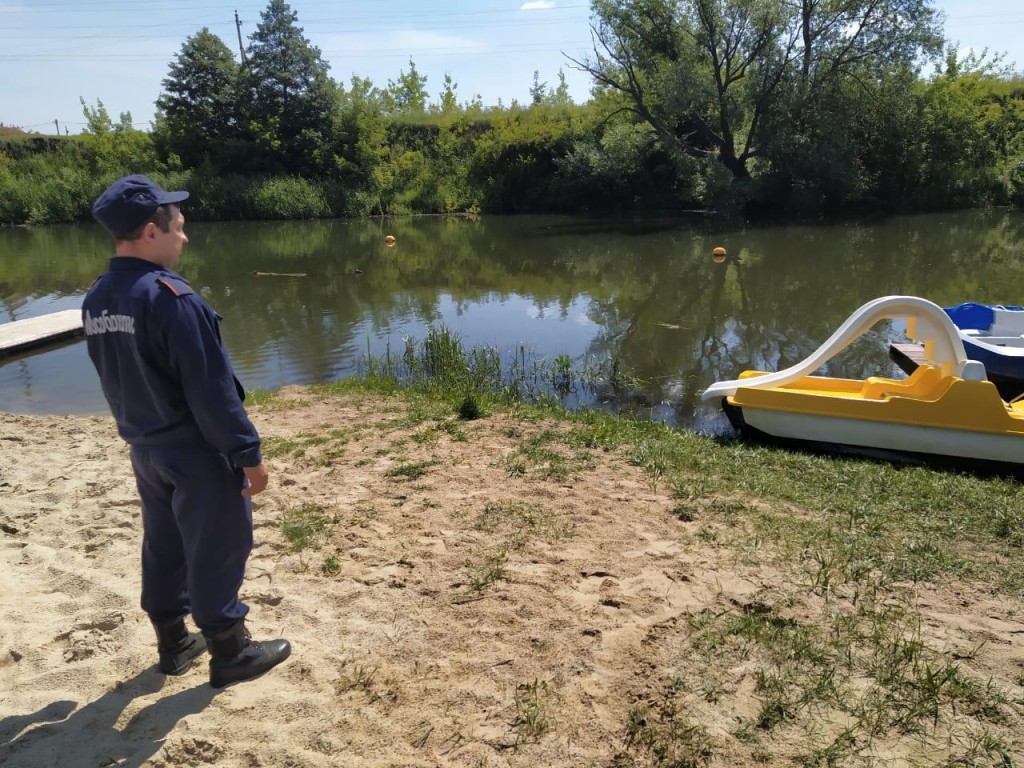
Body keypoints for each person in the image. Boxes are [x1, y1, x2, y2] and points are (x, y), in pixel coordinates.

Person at [82, 175, 290, 688]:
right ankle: (229, 650)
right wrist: (247, 453)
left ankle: (173, 641)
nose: (185, 236)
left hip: (145, 449)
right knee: (218, 542)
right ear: (151, 230)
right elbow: (211, 391)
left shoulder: (98, 298)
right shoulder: (172, 299)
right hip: (195, 451)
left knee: (165, 544)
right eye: (178, 226)